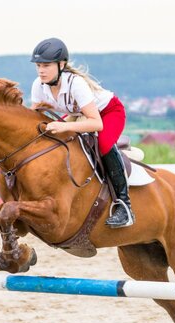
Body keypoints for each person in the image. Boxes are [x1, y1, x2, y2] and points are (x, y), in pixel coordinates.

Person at [30, 37, 134, 228]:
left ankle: (124, 206)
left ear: (61, 64)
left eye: (46, 65)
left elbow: (96, 124)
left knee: (102, 144)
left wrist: (64, 126)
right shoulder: (38, 85)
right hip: (78, 116)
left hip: (107, 114)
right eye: (38, 66)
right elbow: (34, 118)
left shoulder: (75, 83)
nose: (41, 70)